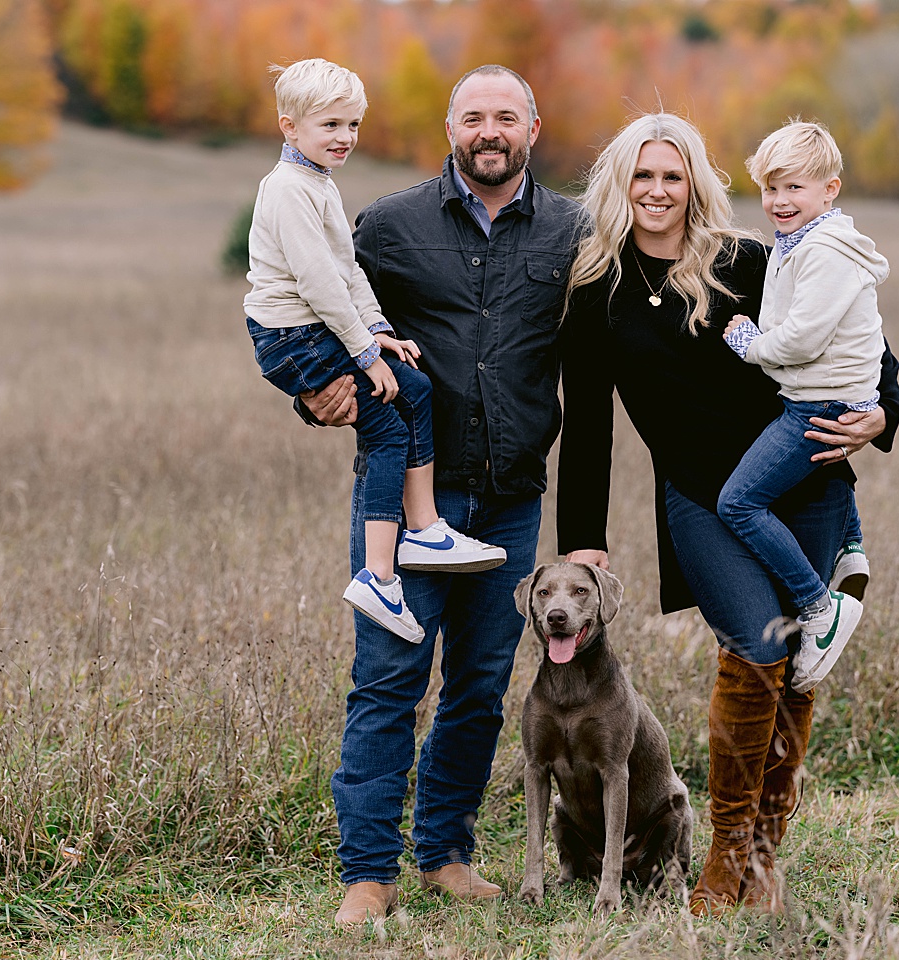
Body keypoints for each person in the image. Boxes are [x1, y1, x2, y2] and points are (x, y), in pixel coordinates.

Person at [554, 113, 899, 917]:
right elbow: (591, 422)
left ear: (695, 183)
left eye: (672, 175)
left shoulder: (747, 259)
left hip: (804, 473)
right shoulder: (595, 287)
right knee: (755, 642)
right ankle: (723, 854)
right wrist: (584, 539)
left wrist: (882, 409)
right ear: (620, 183)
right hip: (700, 497)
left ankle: (764, 859)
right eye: (642, 175)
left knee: (799, 662)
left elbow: (860, 332)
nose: (657, 191)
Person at [297, 64, 583, 925]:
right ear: (450, 127)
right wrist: (311, 392)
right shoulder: (387, 226)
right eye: (472, 117)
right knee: (388, 680)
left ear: (533, 126)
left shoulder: (575, 231)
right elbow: (311, 302)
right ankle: (368, 874)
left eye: (505, 117)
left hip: (510, 498)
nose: (488, 131)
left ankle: (446, 852)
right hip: (405, 499)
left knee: (480, 683)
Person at [244, 59, 506, 645]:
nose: (345, 138)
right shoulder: (287, 189)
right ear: (289, 127)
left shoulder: (319, 184)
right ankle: (378, 575)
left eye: (353, 125)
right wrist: (365, 356)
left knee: (414, 386)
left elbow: (349, 273)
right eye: (329, 125)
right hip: (293, 336)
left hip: (319, 329)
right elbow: (317, 283)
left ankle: (426, 528)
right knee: (387, 429)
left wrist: (379, 330)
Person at [717, 119, 889, 694]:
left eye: (795, 187)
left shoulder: (824, 252)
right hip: (827, 393)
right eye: (771, 188)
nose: (779, 201)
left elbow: (800, 339)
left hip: (820, 400)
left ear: (830, 190)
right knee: (808, 469)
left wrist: (747, 342)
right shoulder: (803, 244)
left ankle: (820, 609)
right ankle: (851, 549)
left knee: (738, 502)